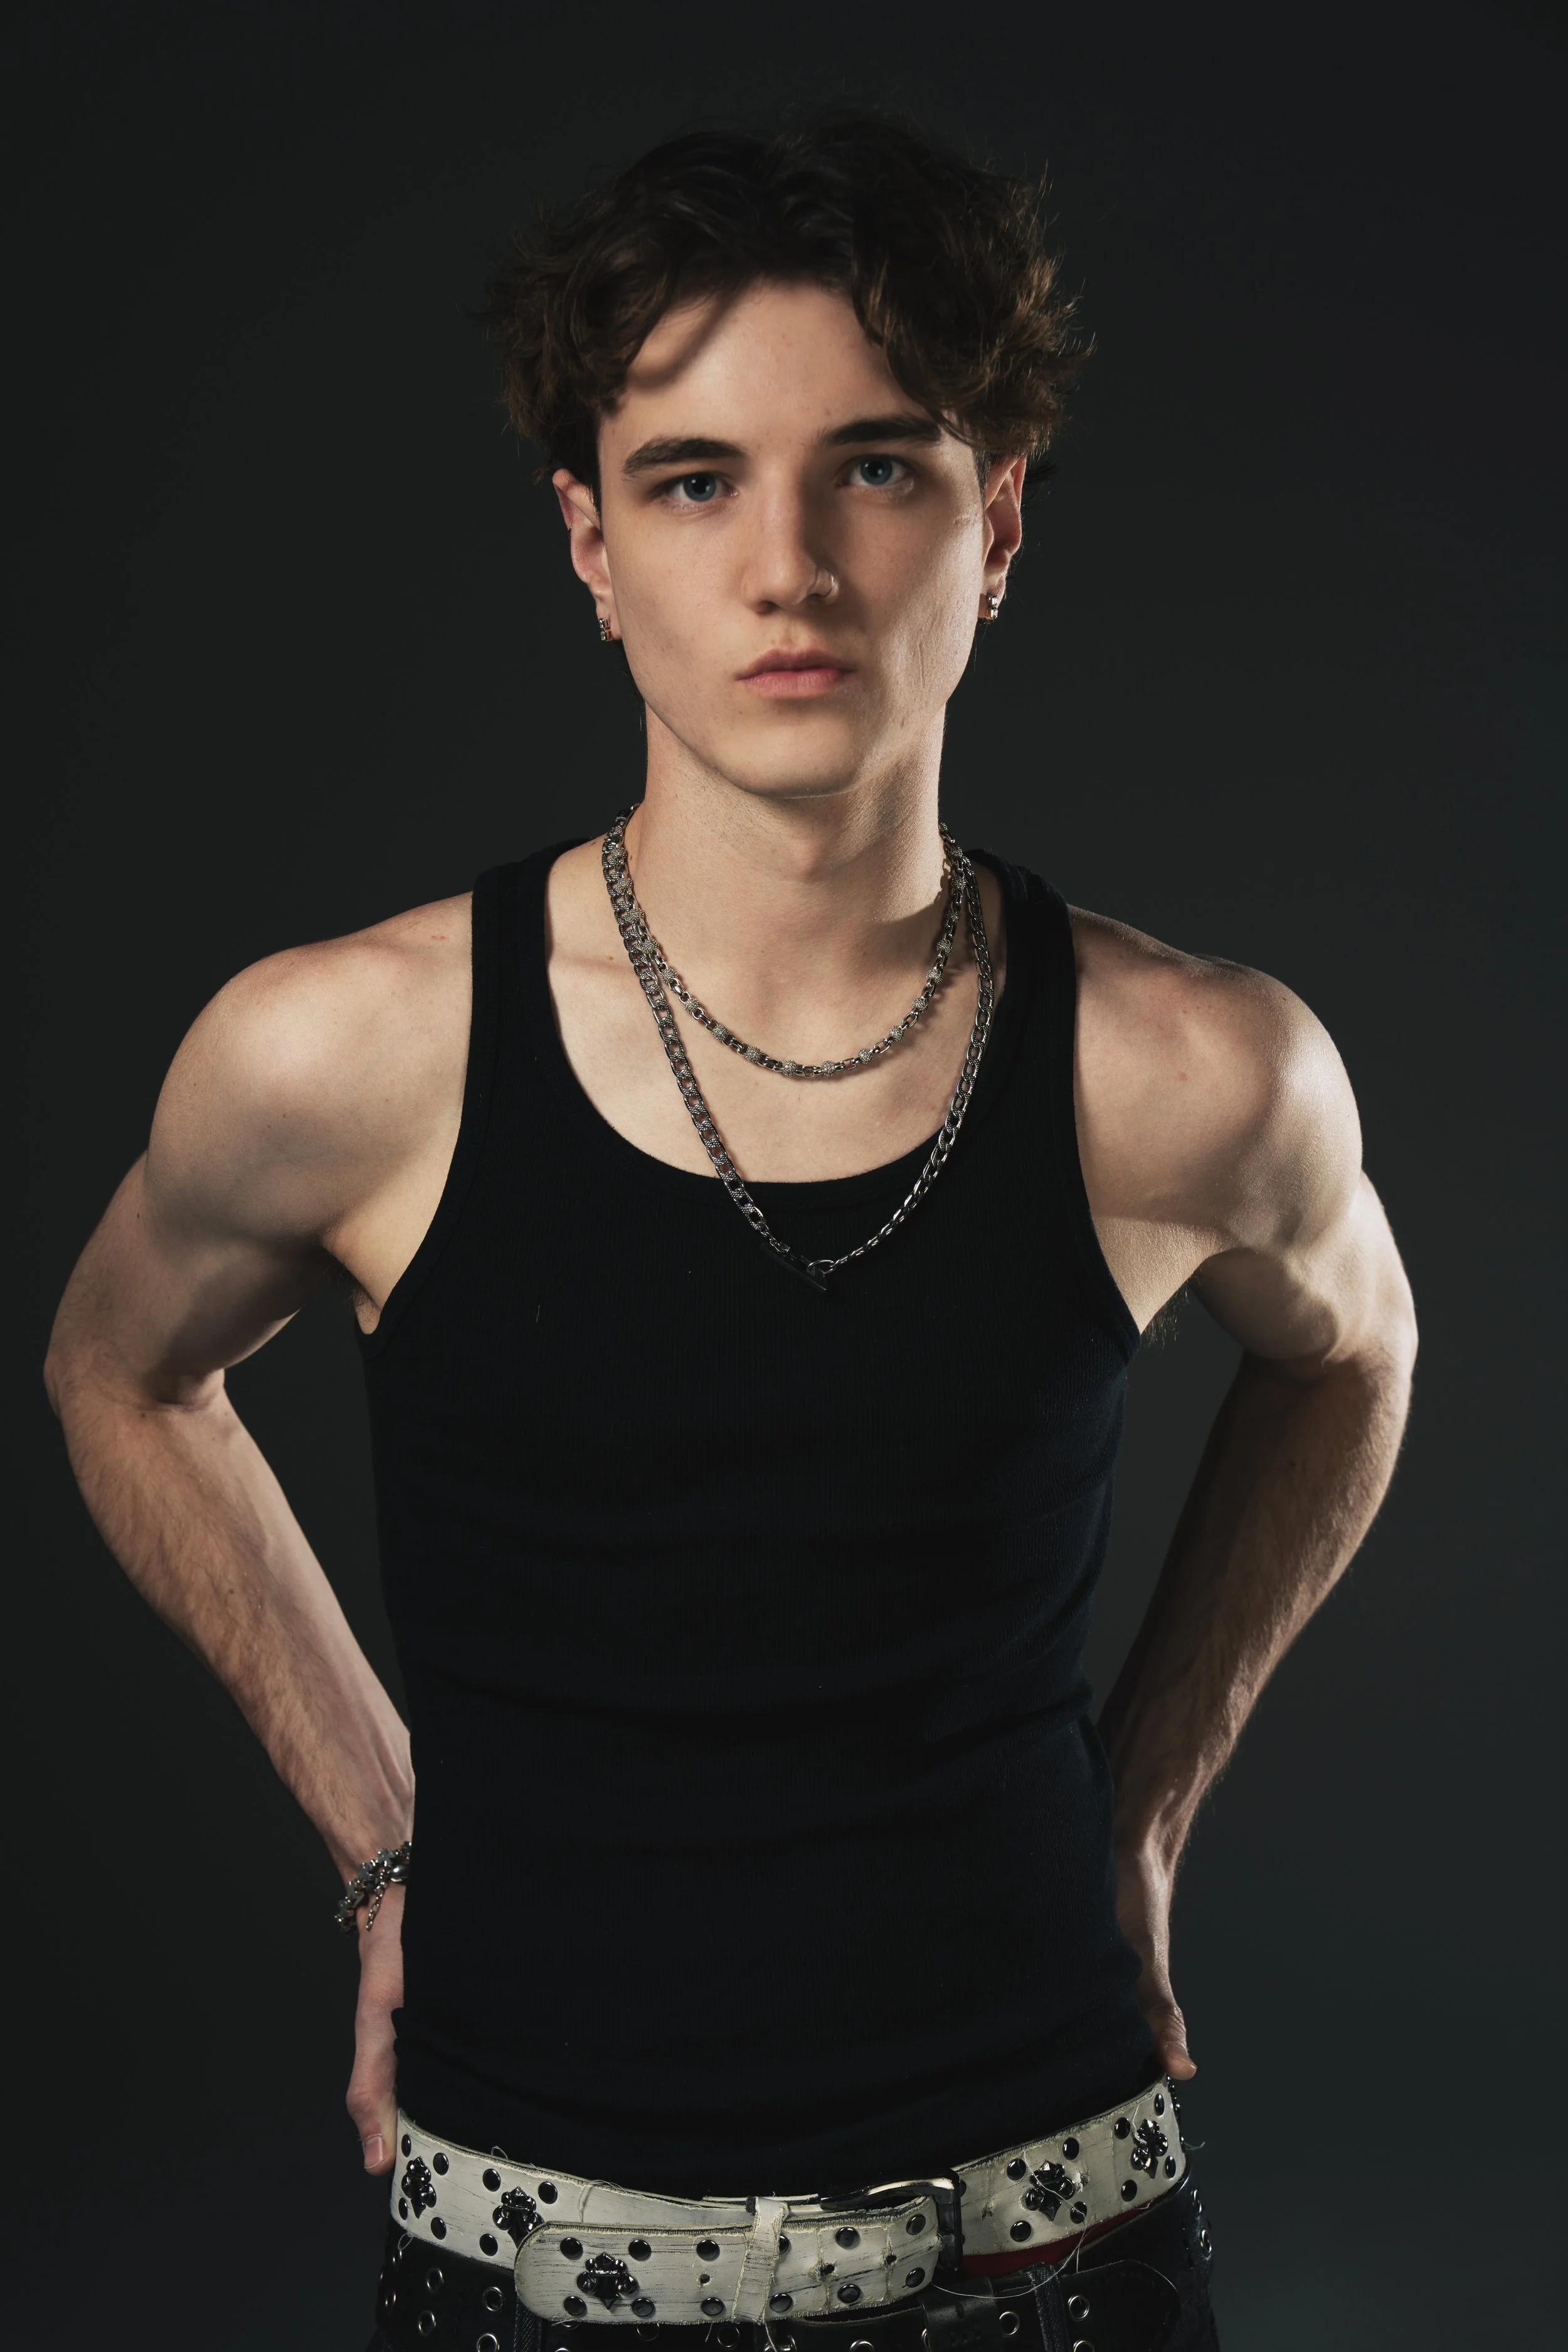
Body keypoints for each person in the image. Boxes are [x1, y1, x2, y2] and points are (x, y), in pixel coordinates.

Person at [45, 112, 1416, 2352]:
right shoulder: (340, 1058)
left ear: (994, 526)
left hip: (1047, 2241)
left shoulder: (1194, 1072)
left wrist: (1143, 1804)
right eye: (693, 479)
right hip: (520, 2249)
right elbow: (115, 1364)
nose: (788, 564)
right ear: (589, 542)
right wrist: (386, 1843)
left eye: (874, 468)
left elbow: (1355, 1349)